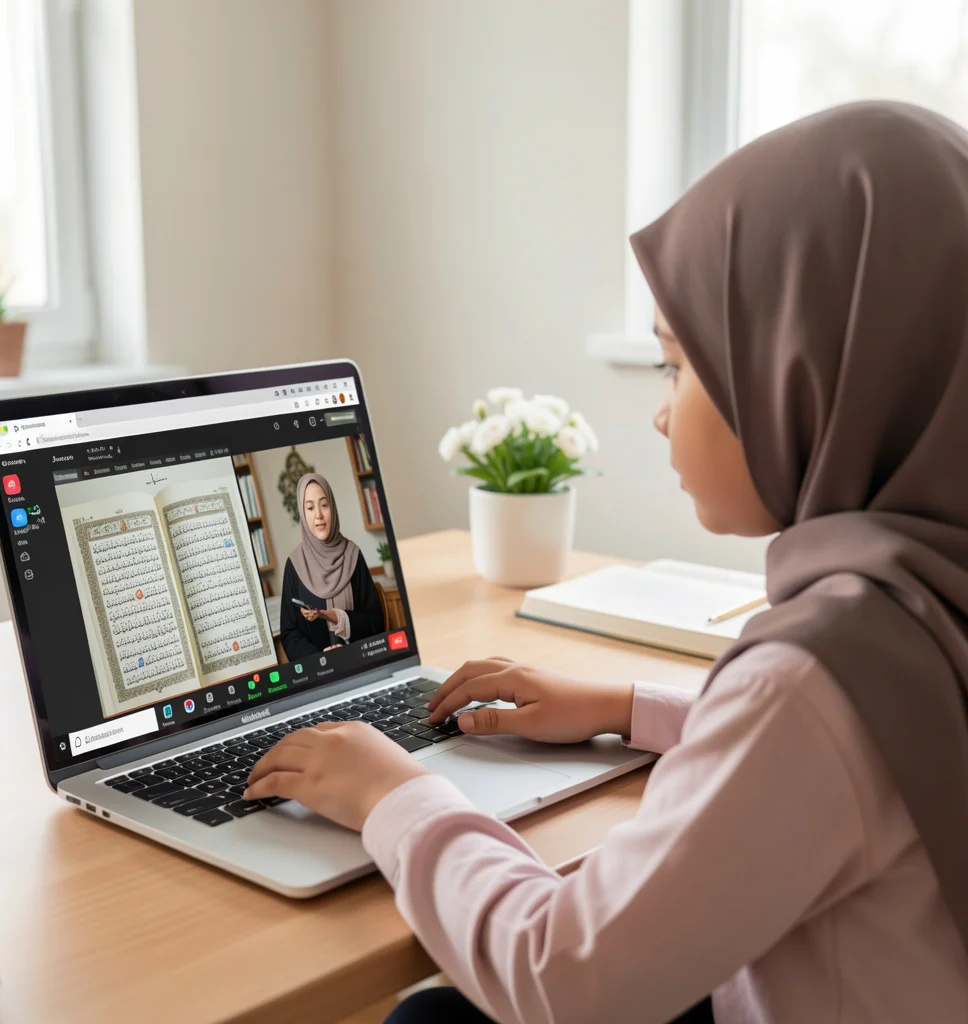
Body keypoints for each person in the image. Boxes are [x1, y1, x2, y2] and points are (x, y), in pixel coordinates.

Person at [245, 102, 968, 1022]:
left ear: (803, 372)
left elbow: (561, 978)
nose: (662, 411)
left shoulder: (817, 677)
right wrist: (629, 708)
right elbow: (862, 752)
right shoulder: (925, 603)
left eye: (677, 367)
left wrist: (396, 793)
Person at [279, 472, 383, 659]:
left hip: (359, 664)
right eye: (310, 508)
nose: (318, 515)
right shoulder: (294, 565)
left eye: (324, 505)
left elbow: (375, 622)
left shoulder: (353, 555)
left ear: (332, 508)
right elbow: (289, 633)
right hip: (319, 675)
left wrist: (335, 617)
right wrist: (319, 659)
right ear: (302, 514)